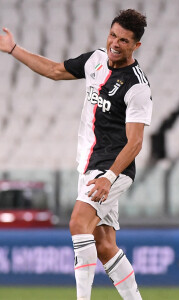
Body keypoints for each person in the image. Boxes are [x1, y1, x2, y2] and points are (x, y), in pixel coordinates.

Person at [0, 9, 152, 300]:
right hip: (89, 165)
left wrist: (108, 177)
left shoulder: (137, 87)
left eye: (124, 40)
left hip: (111, 169)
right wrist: (13, 49)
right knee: (105, 245)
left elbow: (135, 143)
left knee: (77, 223)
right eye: (113, 35)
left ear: (136, 45)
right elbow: (55, 71)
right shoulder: (95, 60)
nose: (115, 43)